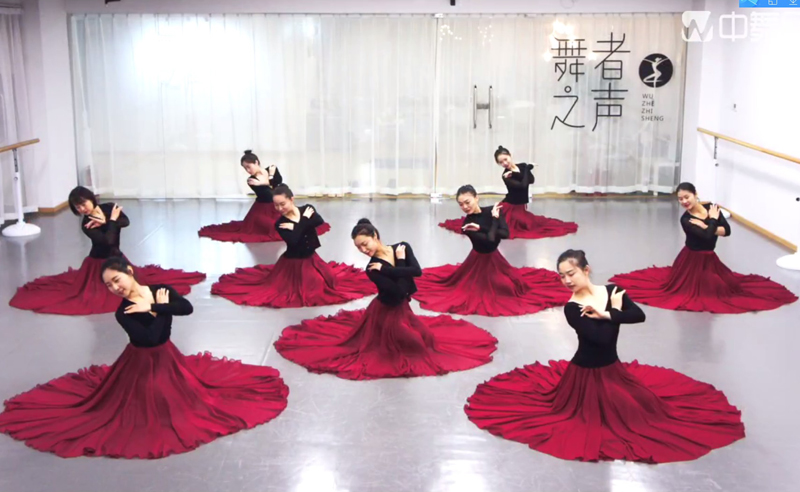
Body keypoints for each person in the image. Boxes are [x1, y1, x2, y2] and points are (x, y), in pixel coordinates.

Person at [464, 249, 745, 463]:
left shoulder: (612, 290)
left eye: (570, 273)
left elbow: (639, 315)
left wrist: (606, 313)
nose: (566, 281)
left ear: (586, 270)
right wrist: (614, 312)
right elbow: (601, 339)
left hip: (612, 368)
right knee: (604, 423)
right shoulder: (572, 308)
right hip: (585, 373)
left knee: (646, 411)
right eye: (561, 276)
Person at [0, 257, 288, 459]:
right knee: (146, 408)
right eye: (109, 286)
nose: (115, 288)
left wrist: (156, 306)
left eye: (117, 280)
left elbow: (186, 308)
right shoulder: (123, 311)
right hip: (140, 362)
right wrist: (160, 309)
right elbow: (149, 338)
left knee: (186, 399)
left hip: (168, 357)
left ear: (129, 271)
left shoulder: (159, 291)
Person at [273, 219, 498, 380]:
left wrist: (393, 268)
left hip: (404, 311)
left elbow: (417, 272)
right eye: (358, 247)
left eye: (365, 244)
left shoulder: (401, 247)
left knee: (428, 341)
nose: (363, 250)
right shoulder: (372, 268)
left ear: (375, 236)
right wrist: (400, 267)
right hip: (386, 314)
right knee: (415, 348)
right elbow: (400, 291)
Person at [9, 186, 205, 315]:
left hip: (118, 258)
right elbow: (108, 241)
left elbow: (125, 221)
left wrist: (108, 221)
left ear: (90, 199)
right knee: (101, 296)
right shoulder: (86, 224)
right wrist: (110, 221)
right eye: (77, 207)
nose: (82, 209)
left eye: (83, 203)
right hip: (99, 262)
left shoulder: (109, 207)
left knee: (138, 284)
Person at [609, 182, 797, 313]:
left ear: (695, 194)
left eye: (687, 197)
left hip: (710, 259)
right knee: (707, 293)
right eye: (680, 199)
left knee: (727, 288)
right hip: (692, 260)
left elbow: (727, 231)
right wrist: (713, 222)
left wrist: (707, 225)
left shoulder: (711, 207)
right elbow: (709, 236)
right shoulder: (686, 219)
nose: (684, 202)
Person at [415, 185, 570, 316]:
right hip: (478, 262)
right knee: (492, 291)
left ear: (476, 198)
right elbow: (490, 240)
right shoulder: (467, 224)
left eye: (467, 202)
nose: (465, 207)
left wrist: (485, 226)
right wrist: (492, 222)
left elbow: (505, 233)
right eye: (461, 204)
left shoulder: (492, 210)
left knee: (513, 288)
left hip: (496, 259)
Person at [211, 184, 374, 307]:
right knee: (314, 288)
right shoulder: (281, 223)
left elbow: (319, 221)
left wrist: (298, 225)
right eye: (276, 205)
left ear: (291, 199)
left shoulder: (307, 208)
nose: (279, 208)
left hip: (312, 258)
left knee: (331, 280)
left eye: (283, 204)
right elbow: (294, 240)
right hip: (294, 263)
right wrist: (304, 221)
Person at [439, 146, 577, 239]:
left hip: (521, 206)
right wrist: (527, 168)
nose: (504, 163)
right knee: (517, 227)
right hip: (510, 206)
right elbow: (523, 185)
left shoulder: (522, 166)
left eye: (505, 159)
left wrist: (525, 169)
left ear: (510, 156)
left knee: (533, 223)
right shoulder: (506, 175)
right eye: (501, 162)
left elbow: (531, 180)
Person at [198, 150, 330, 242]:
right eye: (245, 168)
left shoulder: (272, 168)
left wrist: (266, 181)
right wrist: (267, 182)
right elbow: (270, 194)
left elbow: (279, 185)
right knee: (273, 228)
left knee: (300, 218)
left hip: (279, 206)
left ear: (256, 162)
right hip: (263, 210)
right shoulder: (251, 180)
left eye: (249, 166)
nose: (248, 170)